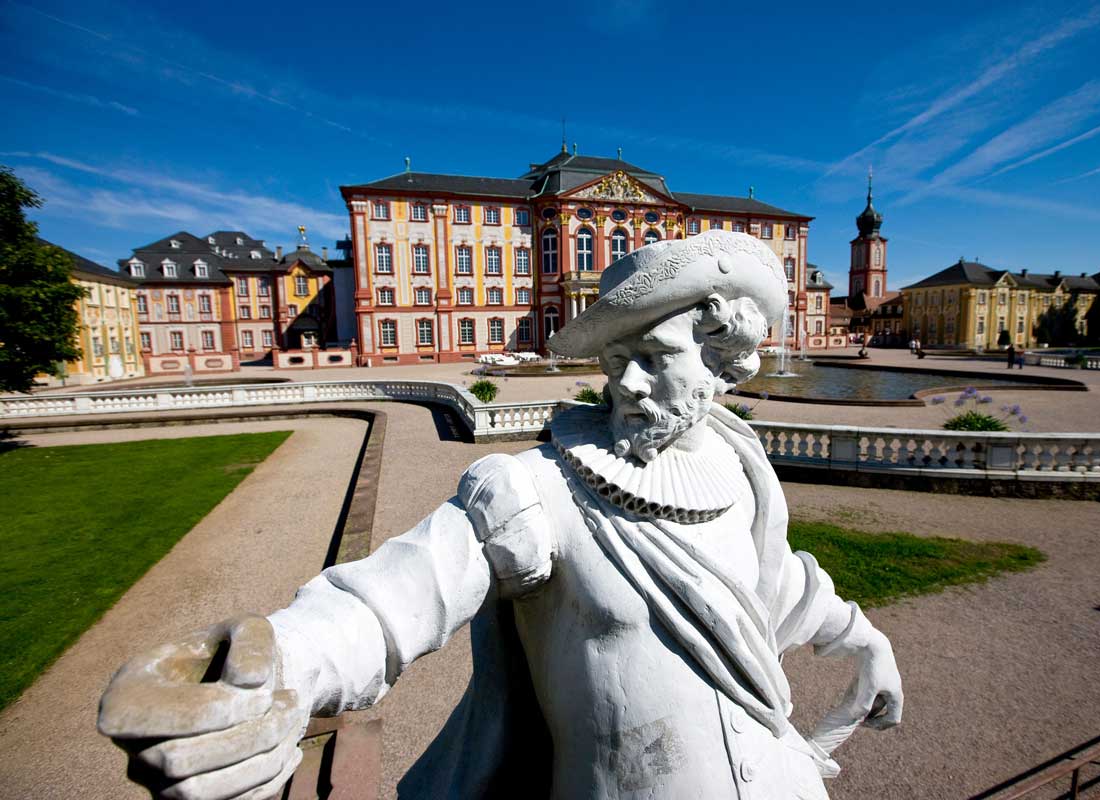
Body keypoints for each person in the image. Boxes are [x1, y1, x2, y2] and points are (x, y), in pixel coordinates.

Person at [97, 231, 903, 800]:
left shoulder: (743, 471)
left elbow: (776, 583)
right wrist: (277, 675)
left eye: (653, 360)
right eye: (616, 361)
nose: (624, 385)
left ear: (727, 358)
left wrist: (865, 640)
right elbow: (388, 601)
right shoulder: (534, 490)